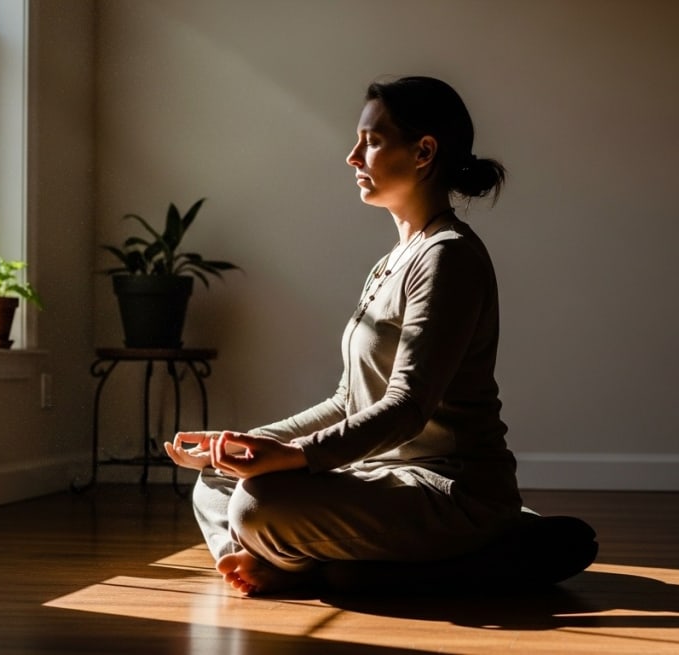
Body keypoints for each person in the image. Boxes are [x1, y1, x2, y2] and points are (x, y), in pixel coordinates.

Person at [165, 76, 591, 596]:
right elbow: (349, 400)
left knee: (256, 504)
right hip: (375, 478)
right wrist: (248, 443)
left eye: (370, 140)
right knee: (216, 481)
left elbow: (407, 406)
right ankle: (292, 562)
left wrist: (295, 457)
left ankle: (465, 541)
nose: (352, 156)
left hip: (446, 489)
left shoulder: (447, 256)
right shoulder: (393, 261)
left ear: (423, 152)